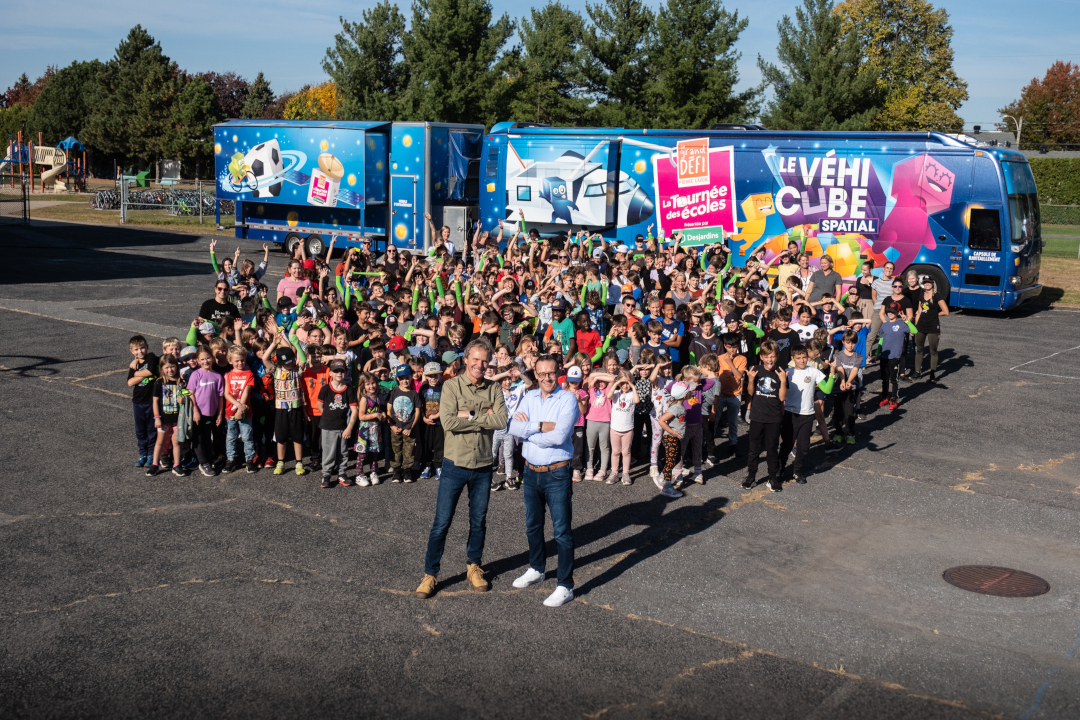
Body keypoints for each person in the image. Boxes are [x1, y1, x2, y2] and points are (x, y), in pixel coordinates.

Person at [417, 340, 508, 599]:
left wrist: (467, 414)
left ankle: (473, 566)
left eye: (485, 360)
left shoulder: (494, 388)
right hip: (454, 464)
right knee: (441, 523)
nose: (481, 365)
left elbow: (501, 420)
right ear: (465, 359)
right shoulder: (451, 385)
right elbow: (447, 421)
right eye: (476, 360)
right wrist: (483, 416)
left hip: (482, 467)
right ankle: (430, 573)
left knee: (478, 521)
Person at [508, 354, 581, 607]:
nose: (547, 378)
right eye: (542, 374)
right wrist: (540, 426)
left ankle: (565, 585)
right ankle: (537, 569)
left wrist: (530, 431)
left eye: (551, 373)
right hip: (530, 472)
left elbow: (560, 436)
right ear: (535, 375)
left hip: (557, 472)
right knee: (533, 526)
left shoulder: (568, 399)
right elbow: (513, 428)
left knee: (561, 532)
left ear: (558, 372)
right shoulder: (528, 397)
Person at [778, 346, 835, 485]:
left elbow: (826, 390)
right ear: (793, 359)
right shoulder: (787, 373)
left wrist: (832, 373)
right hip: (791, 414)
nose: (802, 360)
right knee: (786, 445)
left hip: (808, 414)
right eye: (798, 358)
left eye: (804, 357)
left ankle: (797, 471)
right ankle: (779, 470)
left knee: (803, 447)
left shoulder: (813, 371)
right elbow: (780, 394)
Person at [743, 340, 787, 492]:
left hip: (773, 417)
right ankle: (751, 476)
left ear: (777, 356)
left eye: (773, 356)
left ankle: (772, 478)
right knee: (754, 449)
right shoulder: (755, 369)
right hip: (757, 416)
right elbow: (750, 393)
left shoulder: (781, 372)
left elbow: (782, 398)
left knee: (772, 449)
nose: (770, 360)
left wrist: (783, 381)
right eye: (767, 356)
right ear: (761, 356)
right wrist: (750, 379)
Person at [317, 359, 358, 488]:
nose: (339, 373)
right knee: (328, 452)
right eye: (336, 371)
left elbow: (354, 411)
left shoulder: (349, 390)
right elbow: (320, 406)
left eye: (341, 371)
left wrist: (349, 428)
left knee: (343, 452)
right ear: (330, 373)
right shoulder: (325, 389)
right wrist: (328, 418)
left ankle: (342, 474)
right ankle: (326, 475)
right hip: (328, 426)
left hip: (343, 427)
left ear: (345, 372)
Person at [223, 345, 257, 474]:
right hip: (229, 411)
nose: (240, 363)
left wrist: (240, 410)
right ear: (230, 361)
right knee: (230, 436)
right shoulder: (227, 375)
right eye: (236, 360)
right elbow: (226, 394)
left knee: (247, 436)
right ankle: (230, 459)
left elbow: (246, 392)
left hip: (245, 412)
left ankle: (250, 460)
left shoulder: (249, 374)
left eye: (242, 360)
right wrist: (237, 407)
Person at [127, 335, 160, 468]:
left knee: (152, 430)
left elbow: (151, 371)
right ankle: (143, 455)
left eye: (142, 348)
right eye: (136, 350)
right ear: (132, 351)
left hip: (151, 402)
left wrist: (136, 374)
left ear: (147, 347)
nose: (140, 351)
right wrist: (138, 372)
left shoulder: (151, 357)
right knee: (140, 430)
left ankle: (151, 455)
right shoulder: (134, 364)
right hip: (138, 402)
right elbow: (130, 383)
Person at [387, 364, 421, 483]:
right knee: (395, 449)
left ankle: (407, 470)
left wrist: (411, 427)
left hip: (409, 428)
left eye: (407, 377)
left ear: (411, 377)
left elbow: (417, 412)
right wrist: (392, 426)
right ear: (398, 379)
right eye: (402, 378)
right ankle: (397, 470)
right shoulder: (393, 392)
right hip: (396, 427)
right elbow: (388, 411)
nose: (404, 380)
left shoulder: (414, 394)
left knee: (409, 450)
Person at [913, 275, 949, 382]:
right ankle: (917, 372)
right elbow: (919, 312)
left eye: (929, 282)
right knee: (919, 349)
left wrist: (935, 315)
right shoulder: (922, 295)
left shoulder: (937, 296)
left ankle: (932, 374)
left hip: (933, 327)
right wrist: (915, 326)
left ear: (932, 283)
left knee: (933, 351)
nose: (927, 284)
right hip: (921, 326)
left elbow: (946, 311)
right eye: (925, 282)